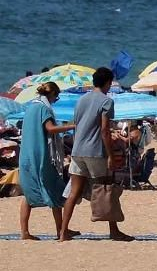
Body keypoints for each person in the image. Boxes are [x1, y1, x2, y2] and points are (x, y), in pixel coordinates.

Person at [59, 66, 133, 242]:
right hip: (94, 151)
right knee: (107, 189)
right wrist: (110, 155)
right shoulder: (106, 101)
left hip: (77, 150)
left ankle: (62, 232)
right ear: (108, 82)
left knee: (74, 192)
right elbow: (105, 130)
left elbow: (77, 125)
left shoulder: (81, 100)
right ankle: (114, 231)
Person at [17, 82, 72, 241]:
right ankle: (60, 230)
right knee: (54, 189)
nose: (55, 100)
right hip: (40, 155)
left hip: (26, 155)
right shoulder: (43, 108)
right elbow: (50, 128)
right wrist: (71, 126)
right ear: (52, 94)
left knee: (28, 194)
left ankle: (24, 232)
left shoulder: (30, 107)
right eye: (56, 96)